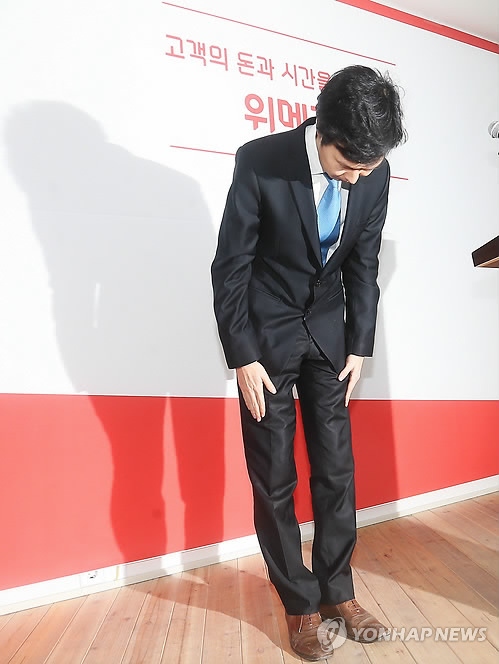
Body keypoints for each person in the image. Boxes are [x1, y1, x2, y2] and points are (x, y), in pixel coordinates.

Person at [211, 64, 406, 661]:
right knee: (274, 478)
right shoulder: (260, 160)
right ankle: (298, 601)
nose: (358, 177)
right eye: (348, 164)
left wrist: (360, 343)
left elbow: (364, 264)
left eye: (369, 167)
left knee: (337, 470)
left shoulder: (374, 172)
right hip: (265, 340)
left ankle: (337, 590)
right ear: (321, 130)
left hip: (329, 336)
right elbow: (231, 265)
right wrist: (242, 354)